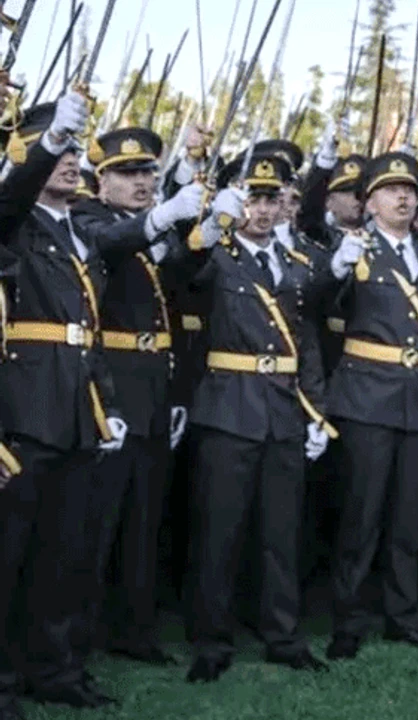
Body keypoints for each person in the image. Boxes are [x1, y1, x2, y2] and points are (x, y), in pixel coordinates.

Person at [0, 93, 199, 713]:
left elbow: (87, 330)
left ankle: (55, 670)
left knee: (65, 555)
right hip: (27, 410)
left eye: (66, 151)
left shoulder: (78, 226)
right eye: (47, 151)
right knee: (10, 559)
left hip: (79, 408)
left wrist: (105, 403)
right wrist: (49, 141)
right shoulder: (13, 220)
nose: (64, 162)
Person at [182, 153, 333, 683]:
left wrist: (316, 410)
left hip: (283, 411)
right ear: (235, 201)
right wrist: (205, 223)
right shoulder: (214, 257)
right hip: (228, 406)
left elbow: (306, 342)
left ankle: (283, 636)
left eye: (272, 199)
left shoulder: (295, 268)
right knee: (220, 531)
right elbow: (180, 275)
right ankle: (210, 641)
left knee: (280, 532)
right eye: (253, 198)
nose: (263, 209)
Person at [323, 152, 418, 659]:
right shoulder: (354, 251)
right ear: (369, 202)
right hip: (367, 396)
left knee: (409, 518)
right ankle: (348, 619)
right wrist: (336, 268)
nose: (404, 197)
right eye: (390, 190)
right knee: (361, 518)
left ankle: (401, 615)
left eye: (409, 189)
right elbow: (319, 307)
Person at [77, 126, 192, 667]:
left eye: (147, 172)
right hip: (112, 381)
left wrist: (200, 225)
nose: (142, 181)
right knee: (97, 520)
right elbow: (114, 246)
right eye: (127, 173)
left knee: (145, 520)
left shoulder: (152, 228)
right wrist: (163, 218)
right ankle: (79, 633)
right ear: (101, 182)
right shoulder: (90, 219)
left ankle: (134, 628)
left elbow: (184, 293)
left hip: (153, 381)